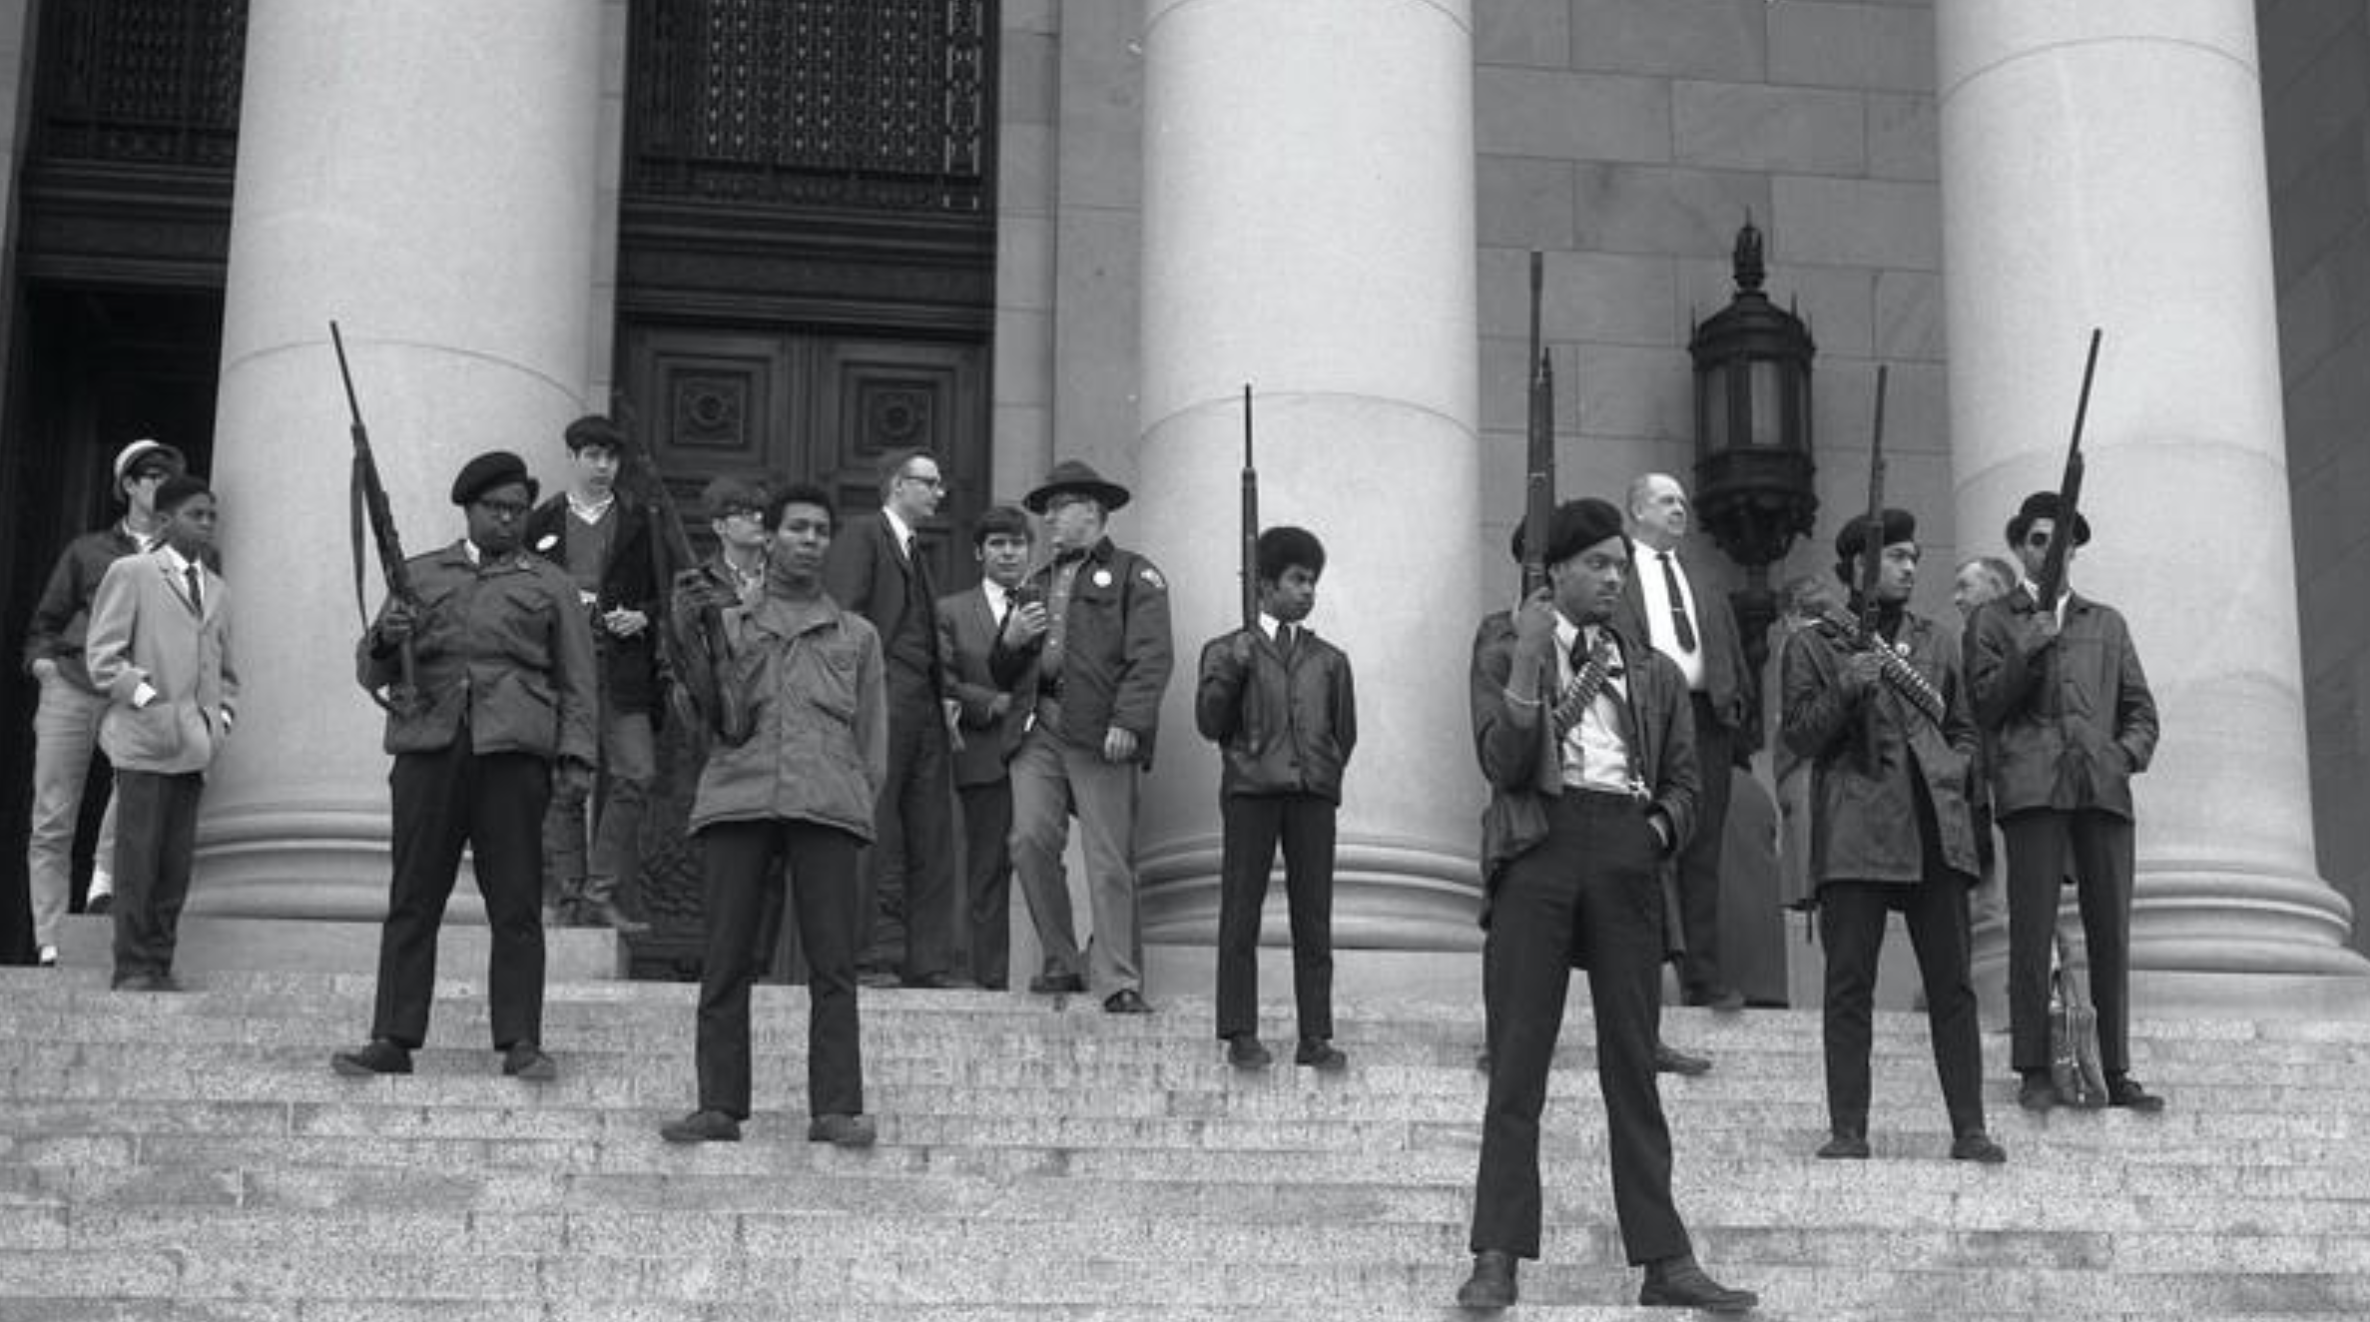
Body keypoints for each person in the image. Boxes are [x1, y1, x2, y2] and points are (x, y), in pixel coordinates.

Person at [1455, 498, 1754, 1314]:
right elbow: (1503, 759)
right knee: (1518, 1063)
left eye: (1621, 566)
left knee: (1634, 1063)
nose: (1615, 579)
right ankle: (1496, 1257)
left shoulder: (1650, 669)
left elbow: (1689, 782)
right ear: (1555, 572)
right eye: (1598, 565)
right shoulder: (1501, 645)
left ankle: (1666, 1261)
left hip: (1625, 844)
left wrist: (1657, 831)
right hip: (1537, 844)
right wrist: (1525, 658)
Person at [331, 450, 597, 1083]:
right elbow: (372, 671)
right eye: (495, 509)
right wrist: (387, 638)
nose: (508, 520)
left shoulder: (550, 584)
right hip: (431, 744)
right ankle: (394, 1036)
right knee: (414, 896)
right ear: (469, 510)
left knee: (515, 901)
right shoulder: (418, 576)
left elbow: (580, 681)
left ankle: (521, 1040)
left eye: (517, 509)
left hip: (513, 750)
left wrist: (578, 757)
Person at [660, 482, 887, 1147]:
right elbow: (695, 721)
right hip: (739, 798)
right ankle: (719, 1106)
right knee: (727, 959)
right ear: (769, 537)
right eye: (796, 528)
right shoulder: (726, 624)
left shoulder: (859, 636)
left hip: (826, 806)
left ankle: (837, 1108)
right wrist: (684, 636)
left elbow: (873, 741)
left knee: (834, 967)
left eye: (820, 530)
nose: (809, 540)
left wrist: (854, 802)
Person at [1779, 509, 2005, 1164]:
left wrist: (1958, 767)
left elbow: (1965, 728)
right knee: (1850, 983)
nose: (1910, 567)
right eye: (1898, 556)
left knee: (1952, 986)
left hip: (1936, 821)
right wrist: (1848, 687)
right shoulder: (1818, 643)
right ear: (1858, 567)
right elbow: (1798, 735)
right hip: (1858, 823)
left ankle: (1970, 1127)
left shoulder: (1937, 641)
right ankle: (1849, 1128)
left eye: (1914, 557)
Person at [1965, 491, 2164, 1114]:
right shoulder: (1993, 620)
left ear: (2074, 549)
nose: (2049, 549)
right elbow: (1985, 707)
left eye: (2060, 539)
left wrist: (2119, 755)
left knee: (2111, 933)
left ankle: (2116, 1067)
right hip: (2032, 789)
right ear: (2021, 547)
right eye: (2036, 539)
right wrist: (2027, 647)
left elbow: (2142, 712)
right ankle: (2032, 1068)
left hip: (2100, 789)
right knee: (2030, 931)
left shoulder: (2107, 621)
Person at [990, 459, 1173, 1014]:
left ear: (1091, 511)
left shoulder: (1135, 575)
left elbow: (1151, 658)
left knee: (1108, 855)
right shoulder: (1036, 582)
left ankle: (1117, 978)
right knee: (1027, 840)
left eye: (1057, 507)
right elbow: (1001, 671)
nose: (1047, 519)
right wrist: (1011, 641)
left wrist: (1130, 722)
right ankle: (1063, 959)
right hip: (1036, 725)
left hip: (1099, 729)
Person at [1194, 526, 1356, 1071]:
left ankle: (1316, 1036)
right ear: (1265, 585)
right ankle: (1240, 1030)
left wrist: (1324, 770)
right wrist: (1235, 668)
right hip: (1250, 791)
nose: (1308, 590)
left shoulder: (1330, 660)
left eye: (1312, 580)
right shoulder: (1225, 649)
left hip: (1311, 794)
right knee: (1240, 912)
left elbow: (1343, 731)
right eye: (1297, 579)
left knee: (1314, 918)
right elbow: (1209, 722)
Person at [20, 438, 187, 964]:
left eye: (169, 474)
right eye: (152, 473)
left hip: (134, 691)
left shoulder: (182, 552)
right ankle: (49, 939)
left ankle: (102, 881)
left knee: (133, 789)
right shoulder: (87, 550)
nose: (161, 482)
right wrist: (43, 667)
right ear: (130, 486)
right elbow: (45, 622)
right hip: (70, 682)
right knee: (52, 815)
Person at [82, 475, 234, 992]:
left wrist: (222, 719)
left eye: (212, 515)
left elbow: (226, 671)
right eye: (197, 514)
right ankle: (132, 965)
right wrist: (147, 699)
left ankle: (159, 962)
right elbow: (102, 656)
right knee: (138, 857)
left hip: (194, 745)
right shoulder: (133, 572)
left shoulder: (217, 590)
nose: (208, 524)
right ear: (166, 521)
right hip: (145, 741)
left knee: (174, 864)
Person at [1613, 472, 1757, 1011]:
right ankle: (1643, 974)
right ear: (1637, 510)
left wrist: (1736, 715)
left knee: (1703, 849)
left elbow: (1733, 657)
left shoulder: (1702, 580)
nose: (1680, 509)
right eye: (1666, 501)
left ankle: (1703, 974)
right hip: (1642, 719)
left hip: (1706, 720)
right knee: (1641, 844)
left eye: (1681, 501)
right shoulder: (1620, 574)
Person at [822, 448, 962, 988]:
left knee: (932, 835)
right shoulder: (863, 535)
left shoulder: (915, 550)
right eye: (929, 483)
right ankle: (865, 956)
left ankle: (928, 961)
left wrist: (944, 693)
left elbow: (926, 633)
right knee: (872, 827)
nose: (939, 493)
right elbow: (845, 617)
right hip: (880, 699)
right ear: (898, 486)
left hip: (924, 705)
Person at [523, 415, 660, 934]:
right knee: (566, 783)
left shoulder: (638, 521)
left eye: (611, 457)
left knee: (636, 772)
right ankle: (567, 894)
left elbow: (663, 593)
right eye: (593, 456)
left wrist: (643, 615)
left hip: (621, 665)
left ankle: (600, 889)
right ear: (573, 458)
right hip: (560, 667)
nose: (603, 466)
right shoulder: (540, 522)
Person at [937, 504, 1035, 990]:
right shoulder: (951, 611)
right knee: (987, 873)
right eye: (998, 543)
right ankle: (989, 980)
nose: (1009, 551)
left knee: (1045, 865)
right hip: (985, 757)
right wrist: (993, 703)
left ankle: (1061, 967)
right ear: (979, 552)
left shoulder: (1050, 607)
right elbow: (943, 680)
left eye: (1017, 542)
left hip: (1045, 756)